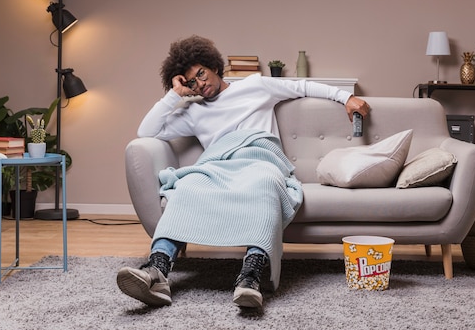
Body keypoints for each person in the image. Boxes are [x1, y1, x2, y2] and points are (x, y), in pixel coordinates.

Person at [117, 35, 370, 309]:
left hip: (262, 162)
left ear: (214, 66)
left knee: (265, 185)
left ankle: (250, 278)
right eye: (190, 81)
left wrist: (347, 97)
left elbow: (302, 86)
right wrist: (174, 95)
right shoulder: (194, 112)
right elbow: (146, 131)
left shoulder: (256, 86)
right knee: (186, 188)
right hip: (219, 167)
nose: (200, 83)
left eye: (201, 73)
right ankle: (157, 272)